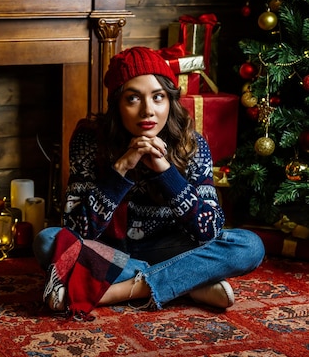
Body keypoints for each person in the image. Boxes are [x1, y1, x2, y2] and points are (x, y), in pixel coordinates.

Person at [33, 46, 265, 319]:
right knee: (47, 241)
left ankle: (120, 289)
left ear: (170, 100)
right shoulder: (90, 141)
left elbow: (209, 231)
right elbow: (75, 229)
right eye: (133, 99)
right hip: (110, 250)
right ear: (118, 104)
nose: (148, 111)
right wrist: (121, 169)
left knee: (249, 246)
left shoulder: (192, 144)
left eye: (158, 97)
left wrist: (165, 172)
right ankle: (187, 284)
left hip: (172, 248)